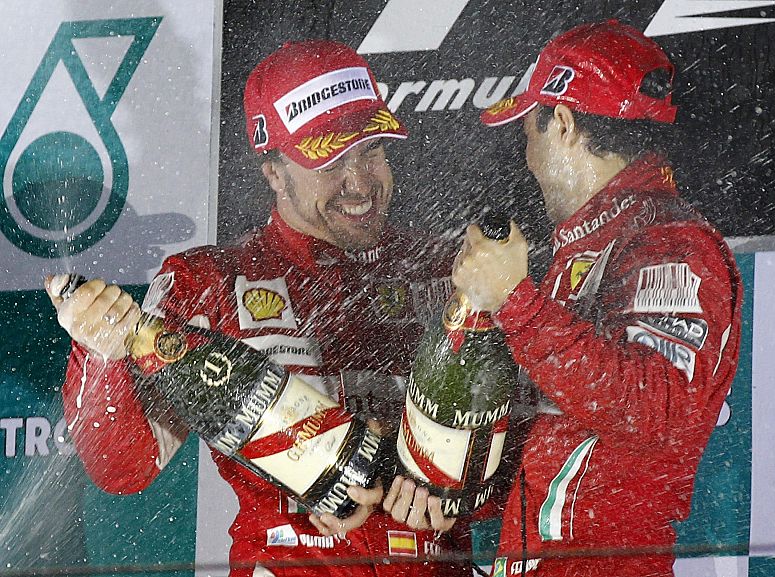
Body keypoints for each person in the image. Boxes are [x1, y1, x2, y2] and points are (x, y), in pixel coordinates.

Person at [47, 40, 471, 577]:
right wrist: (101, 354)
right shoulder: (209, 282)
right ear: (272, 170)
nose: (360, 184)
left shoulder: (448, 269)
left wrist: (455, 484)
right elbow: (123, 470)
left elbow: (529, 456)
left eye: (371, 151)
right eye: (331, 160)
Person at [452, 20, 743, 577]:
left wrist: (516, 301)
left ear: (562, 122)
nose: (527, 155)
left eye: (529, 133)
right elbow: (564, 437)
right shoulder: (594, 243)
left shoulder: (668, 241)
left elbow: (656, 411)